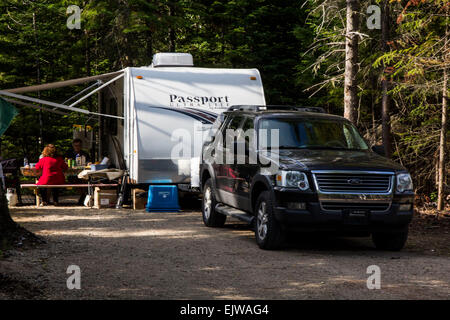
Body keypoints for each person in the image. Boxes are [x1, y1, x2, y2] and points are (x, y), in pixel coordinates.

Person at [66, 138, 90, 205]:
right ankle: (82, 198)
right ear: (73, 146)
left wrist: (89, 163)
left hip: (82, 173)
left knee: (85, 182)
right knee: (78, 182)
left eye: (79, 145)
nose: (77, 147)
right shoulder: (69, 153)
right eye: (75, 145)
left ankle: (82, 199)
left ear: (81, 146)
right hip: (71, 174)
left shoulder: (85, 154)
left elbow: (88, 162)